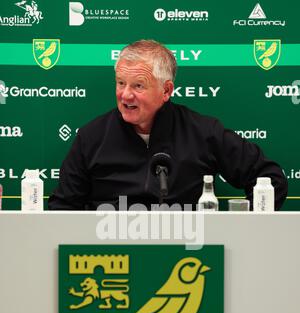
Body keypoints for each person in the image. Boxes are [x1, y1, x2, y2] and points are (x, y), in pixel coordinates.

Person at [48, 39, 288, 211]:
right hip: (110, 250)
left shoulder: (203, 132)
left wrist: (245, 231)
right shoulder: (92, 137)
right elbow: (62, 207)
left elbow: (269, 178)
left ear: (166, 90)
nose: (125, 95)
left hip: (187, 250)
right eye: (121, 83)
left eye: (138, 86)